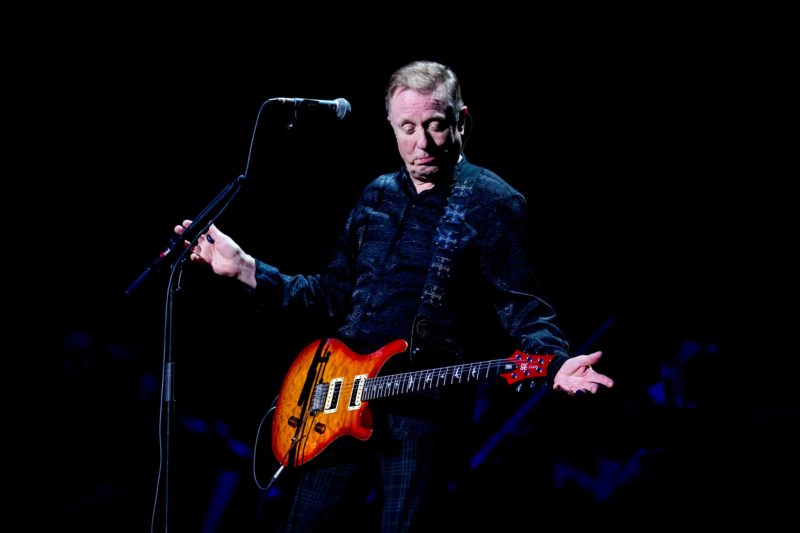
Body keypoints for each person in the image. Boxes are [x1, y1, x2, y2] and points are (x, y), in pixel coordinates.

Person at [175, 59, 614, 532]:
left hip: (423, 413)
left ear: (462, 121)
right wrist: (246, 270)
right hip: (339, 398)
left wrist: (553, 363)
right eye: (407, 128)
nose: (422, 142)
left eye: (436, 125)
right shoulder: (376, 196)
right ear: (390, 125)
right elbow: (329, 295)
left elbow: (524, 306)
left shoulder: (494, 202)